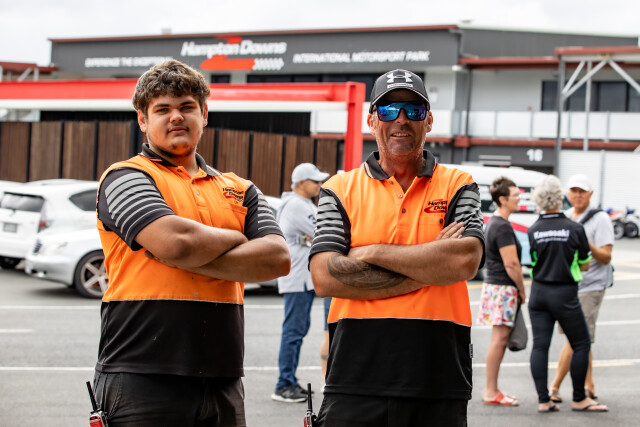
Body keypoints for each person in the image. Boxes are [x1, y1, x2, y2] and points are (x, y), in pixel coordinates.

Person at [93, 59, 290, 426]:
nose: (176, 117)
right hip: (140, 376)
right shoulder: (125, 177)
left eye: (186, 107)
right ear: (142, 120)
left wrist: (187, 252)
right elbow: (176, 243)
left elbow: (277, 259)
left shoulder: (240, 189)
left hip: (223, 379)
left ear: (204, 114)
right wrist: (237, 237)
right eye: (162, 109)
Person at [309, 69, 485, 426]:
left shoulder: (458, 184)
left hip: (438, 379)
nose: (401, 120)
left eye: (413, 111)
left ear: (429, 120)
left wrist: (369, 253)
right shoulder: (339, 188)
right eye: (388, 110)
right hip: (354, 378)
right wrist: (431, 264)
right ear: (372, 120)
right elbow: (325, 277)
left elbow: (464, 261)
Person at [527, 175, 607, 413]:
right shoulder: (575, 228)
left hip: (539, 293)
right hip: (564, 292)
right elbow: (585, 264)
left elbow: (533, 260)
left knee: (540, 346)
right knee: (581, 343)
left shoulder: (533, 229)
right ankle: (579, 398)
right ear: (560, 197)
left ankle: (544, 400)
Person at [549, 174, 614, 403]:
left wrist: (584, 241)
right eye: (574, 191)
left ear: (590, 194)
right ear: (567, 194)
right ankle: (589, 385)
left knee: (575, 338)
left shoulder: (600, 219)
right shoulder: (566, 216)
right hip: (569, 285)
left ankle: (554, 386)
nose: (577, 195)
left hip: (591, 285)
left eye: (582, 191)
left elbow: (606, 256)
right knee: (582, 339)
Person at [272, 163, 329, 403]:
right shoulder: (296, 204)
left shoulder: (302, 203)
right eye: (315, 181)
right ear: (301, 182)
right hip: (297, 277)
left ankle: (289, 381)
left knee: (297, 331)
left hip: (301, 278)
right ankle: (283, 385)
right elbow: (323, 231)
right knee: (293, 332)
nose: (319, 185)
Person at [477, 177, 526, 407]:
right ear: (503, 199)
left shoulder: (494, 223)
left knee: (499, 339)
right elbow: (512, 264)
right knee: (499, 340)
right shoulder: (503, 226)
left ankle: (492, 389)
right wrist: (522, 290)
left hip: (495, 286)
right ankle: (491, 391)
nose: (519, 199)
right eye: (516, 195)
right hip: (503, 288)